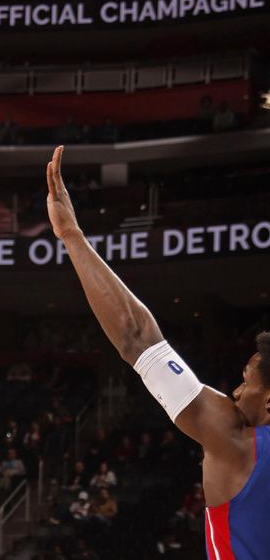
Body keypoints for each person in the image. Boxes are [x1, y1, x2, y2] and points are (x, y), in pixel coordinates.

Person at [44, 145, 270, 559]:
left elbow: (138, 338)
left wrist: (73, 238)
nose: (235, 393)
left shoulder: (238, 441)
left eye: (246, 382)